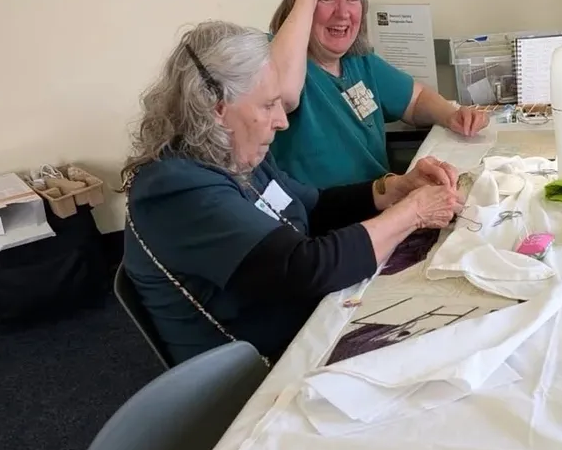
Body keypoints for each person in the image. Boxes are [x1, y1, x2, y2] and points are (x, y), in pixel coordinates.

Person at [122, 20, 462, 366]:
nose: (282, 121)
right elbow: (306, 269)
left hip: (305, 325)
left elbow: (311, 204)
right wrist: (412, 213)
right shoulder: (175, 190)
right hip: (258, 371)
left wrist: (390, 189)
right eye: (268, 105)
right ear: (217, 108)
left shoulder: (231, 153)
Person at [267, 0, 490, 190]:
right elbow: (281, 94)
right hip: (322, 209)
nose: (342, 13)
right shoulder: (274, 57)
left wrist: (450, 114)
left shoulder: (359, 61)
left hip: (380, 199)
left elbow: (415, 99)